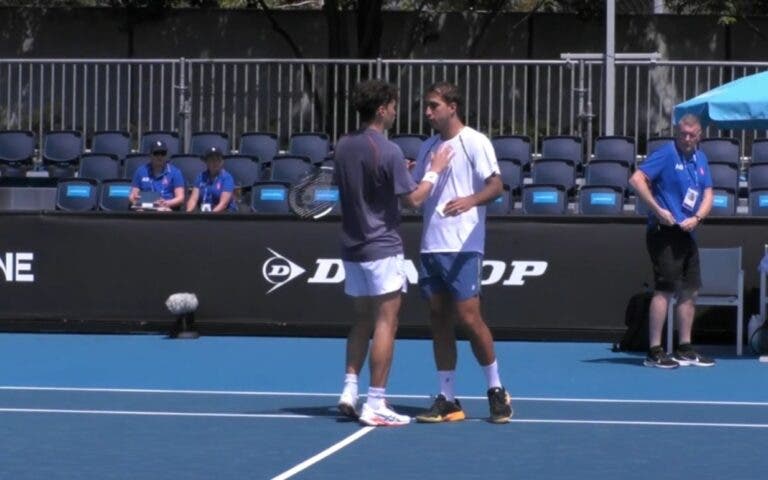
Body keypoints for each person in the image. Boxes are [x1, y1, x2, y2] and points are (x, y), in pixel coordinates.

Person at [335, 79, 453, 427]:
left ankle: (348, 389)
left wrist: (405, 173)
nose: (396, 110)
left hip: (352, 246)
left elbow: (368, 187)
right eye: (394, 105)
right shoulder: (387, 150)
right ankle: (375, 402)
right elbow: (414, 201)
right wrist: (434, 170)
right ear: (383, 108)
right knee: (387, 321)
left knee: (361, 319)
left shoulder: (343, 146)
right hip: (381, 246)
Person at [411, 82, 512, 424]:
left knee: (469, 319)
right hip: (430, 245)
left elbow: (496, 185)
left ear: (452, 107)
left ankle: (497, 390)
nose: (428, 112)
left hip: (465, 246)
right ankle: (448, 398)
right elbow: (418, 192)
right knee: (438, 319)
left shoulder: (475, 141)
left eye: (433, 106)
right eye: (427, 106)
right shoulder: (428, 147)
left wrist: (470, 201)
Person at [629, 113, 715, 369]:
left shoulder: (701, 158)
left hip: (688, 233)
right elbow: (636, 179)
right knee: (665, 289)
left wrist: (698, 217)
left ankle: (684, 348)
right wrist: (658, 210)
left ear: (699, 135)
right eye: (682, 134)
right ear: (677, 133)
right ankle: (654, 350)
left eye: (691, 135)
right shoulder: (667, 154)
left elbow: (709, 193)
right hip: (663, 232)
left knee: (691, 289)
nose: (686, 139)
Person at [128, 140, 185, 211]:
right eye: (156, 153)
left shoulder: (175, 172)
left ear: (166, 155)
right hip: (144, 208)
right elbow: (132, 195)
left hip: (166, 209)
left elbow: (180, 198)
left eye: (163, 153)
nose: (160, 156)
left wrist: (166, 203)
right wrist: (135, 200)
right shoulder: (140, 171)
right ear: (150, 155)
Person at [186, 146, 238, 213]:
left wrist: (210, 216)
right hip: (204, 214)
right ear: (206, 162)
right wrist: (188, 213)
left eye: (217, 160)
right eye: (211, 160)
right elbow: (193, 199)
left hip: (223, 215)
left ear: (222, 162)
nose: (215, 162)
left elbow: (223, 204)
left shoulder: (227, 178)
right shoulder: (200, 177)